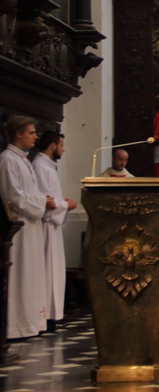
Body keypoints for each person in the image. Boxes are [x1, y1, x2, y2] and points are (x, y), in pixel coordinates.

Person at [0, 116, 56, 339]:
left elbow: (27, 193)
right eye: (31, 133)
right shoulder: (7, 160)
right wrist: (42, 202)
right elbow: (12, 195)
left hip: (30, 224)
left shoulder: (22, 159)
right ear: (18, 134)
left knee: (31, 274)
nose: (35, 137)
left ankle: (31, 322)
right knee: (21, 274)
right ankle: (17, 326)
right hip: (18, 228)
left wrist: (43, 200)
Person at [33, 131, 77, 330]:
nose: (63, 149)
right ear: (52, 146)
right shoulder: (40, 166)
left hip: (53, 226)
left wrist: (62, 203)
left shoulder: (48, 166)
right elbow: (46, 200)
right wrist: (64, 205)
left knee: (55, 271)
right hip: (46, 227)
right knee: (49, 271)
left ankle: (53, 314)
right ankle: (48, 316)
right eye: (61, 145)